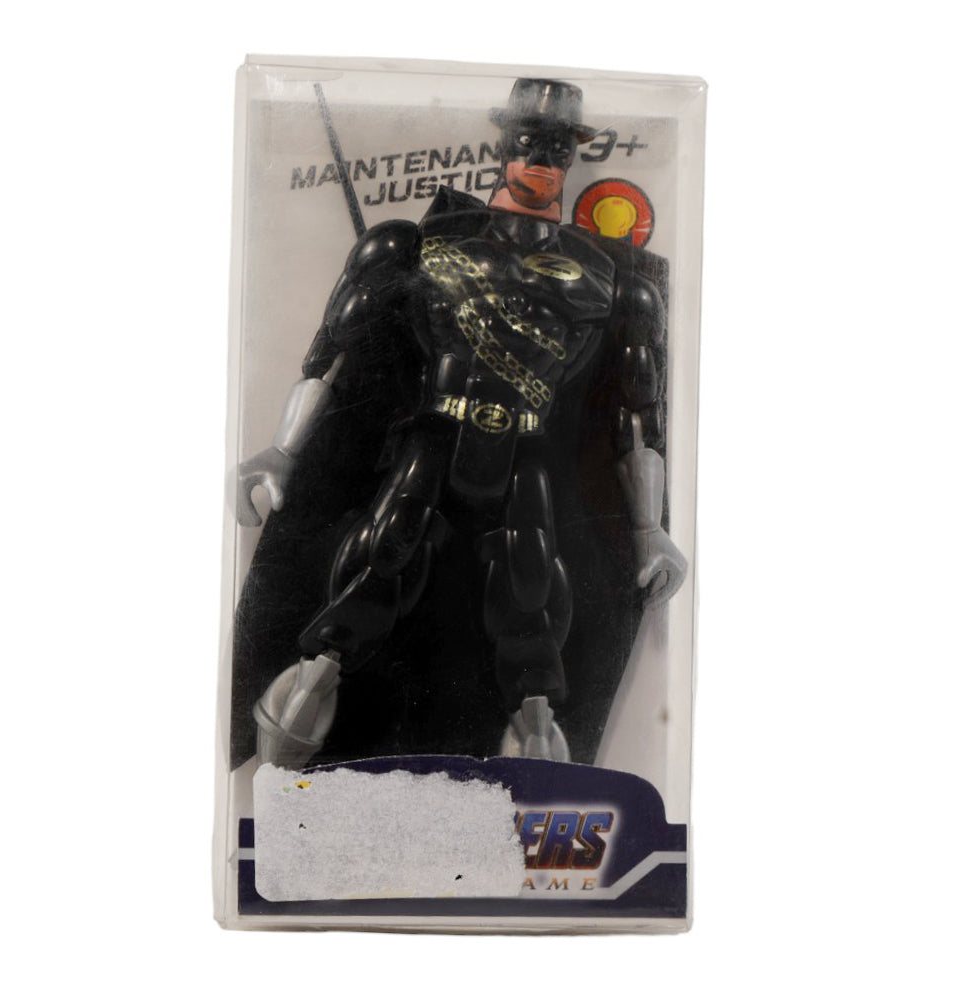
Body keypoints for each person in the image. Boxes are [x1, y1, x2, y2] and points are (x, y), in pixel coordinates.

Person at [235, 78, 686, 768]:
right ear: (503, 143)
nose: (541, 158)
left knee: (530, 579)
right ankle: (311, 685)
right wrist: (281, 452)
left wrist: (649, 528)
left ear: (573, 156)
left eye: (557, 147)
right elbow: (330, 359)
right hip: (435, 434)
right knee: (389, 544)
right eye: (529, 141)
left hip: (525, 448)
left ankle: (536, 727)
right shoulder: (421, 246)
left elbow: (637, 416)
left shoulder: (610, 283)